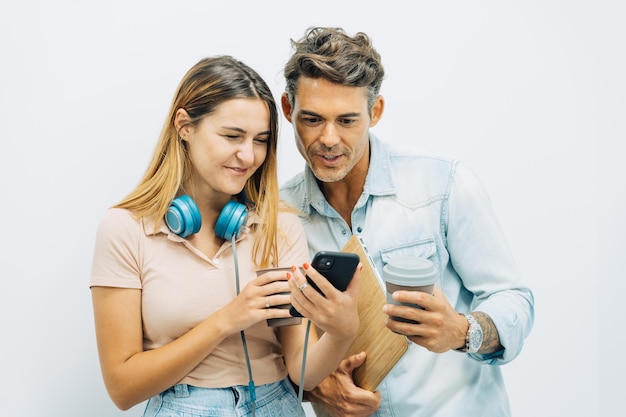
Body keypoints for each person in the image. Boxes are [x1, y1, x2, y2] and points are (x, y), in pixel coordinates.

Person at [279, 27, 535, 417]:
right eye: (312, 119)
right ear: (287, 109)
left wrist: (464, 331)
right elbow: (267, 355)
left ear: (375, 112)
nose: (329, 139)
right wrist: (316, 389)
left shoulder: (444, 185)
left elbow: (514, 300)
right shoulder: (277, 215)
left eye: (347, 121)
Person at [89, 55, 361, 417]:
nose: (248, 155)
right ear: (184, 126)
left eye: (260, 140)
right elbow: (122, 389)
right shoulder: (125, 229)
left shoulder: (280, 227)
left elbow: (301, 371)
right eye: (232, 136)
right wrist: (227, 320)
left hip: (277, 404)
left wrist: (341, 332)